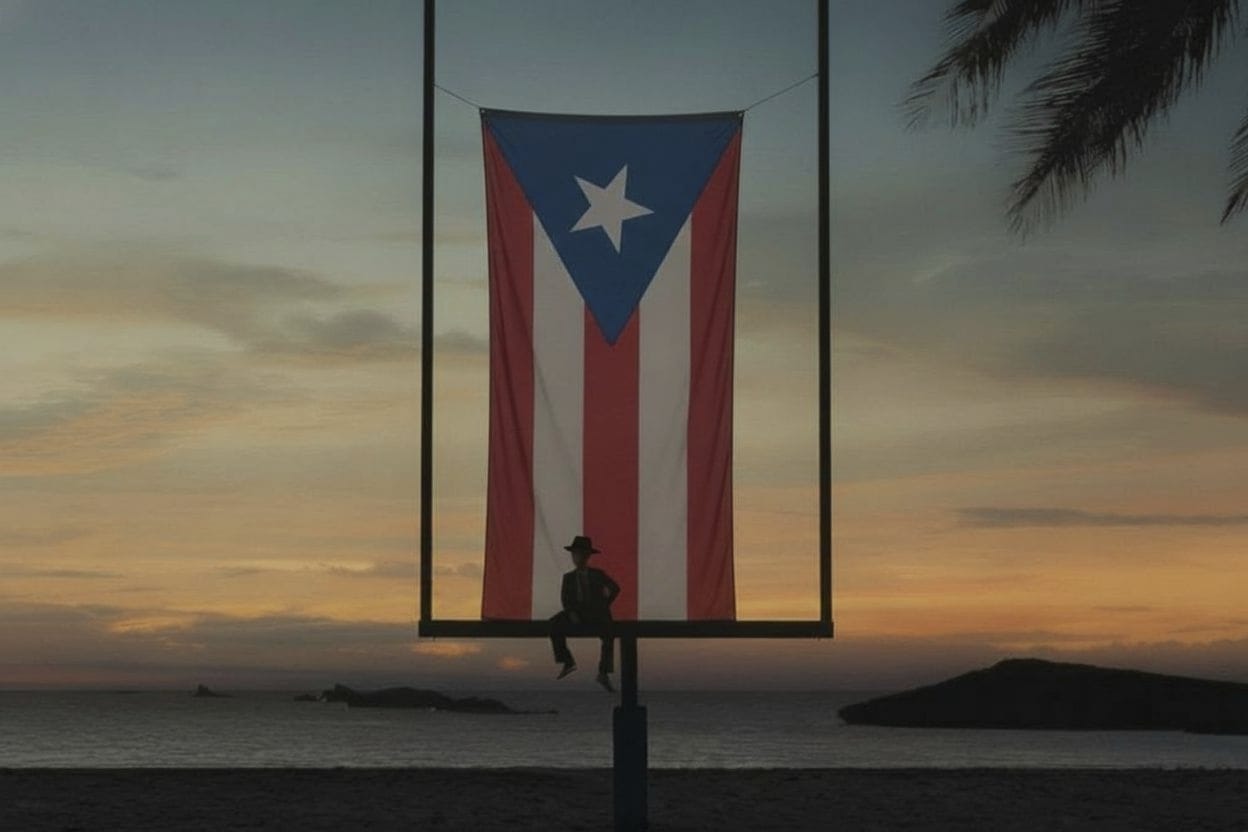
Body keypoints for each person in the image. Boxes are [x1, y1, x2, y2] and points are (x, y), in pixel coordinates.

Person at [549, 535, 620, 692]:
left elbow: (615, 588)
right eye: (575, 554)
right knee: (553, 623)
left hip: (596, 613)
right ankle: (567, 661)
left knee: (609, 634)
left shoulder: (598, 574)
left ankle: (603, 673)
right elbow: (565, 599)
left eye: (581, 554)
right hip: (578, 613)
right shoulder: (568, 577)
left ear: (588, 556)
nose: (577, 557)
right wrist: (571, 613)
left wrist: (604, 604)